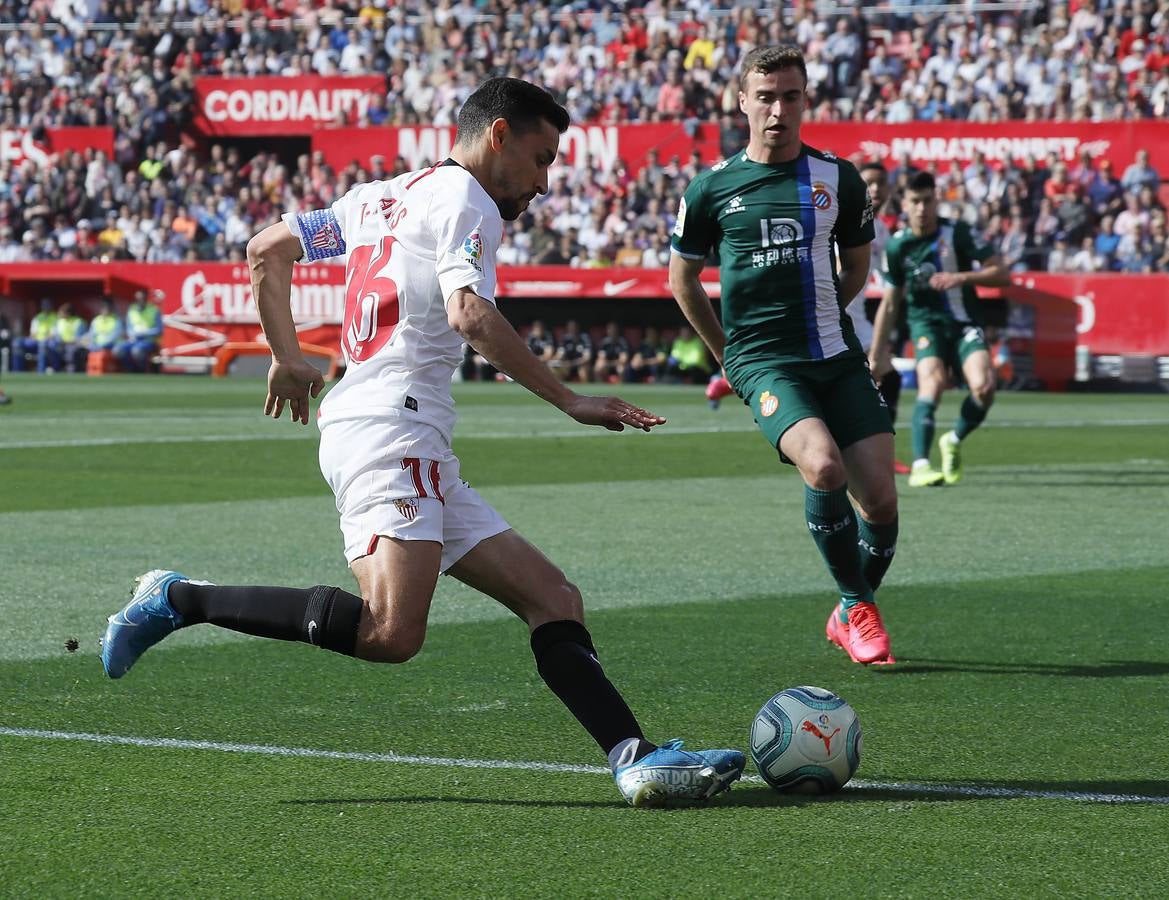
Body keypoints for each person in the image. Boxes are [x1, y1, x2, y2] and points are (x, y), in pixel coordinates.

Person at [99, 77, 744, 808]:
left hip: (403, 431)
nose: (543, 180)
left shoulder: (379, 198)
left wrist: (286, 353)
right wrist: (569, 398)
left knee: (553, 596)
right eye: (539, 158)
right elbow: (470, 315)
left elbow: (265, 249)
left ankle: (634, 757)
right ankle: (180, 598)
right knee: (389, 632)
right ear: (497, 135)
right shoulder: (467, 201)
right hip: (388, 427)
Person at [669, 45, 898, 666]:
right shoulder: (713, 188)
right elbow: (682, 279)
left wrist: (824, 312)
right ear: (742, 102)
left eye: (789, 96)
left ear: (805, 101)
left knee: (880, 500)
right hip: (764, 362)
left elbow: (855, 266)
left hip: (836, 353)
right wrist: (728, 355)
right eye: (765, 97)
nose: (777, 109)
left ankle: (851, 607)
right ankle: (858, 604)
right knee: (824, 467)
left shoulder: (839, 178)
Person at [870, 171, 1010, 489]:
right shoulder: (897, 246)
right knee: (931, 384)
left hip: (964, 325)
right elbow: (890, 304)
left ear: (937, 201)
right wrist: (877, 353)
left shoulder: (957, 233)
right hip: (926, 326)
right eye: (915, 202)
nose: (922, 208)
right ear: (904, 204)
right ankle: (921, 465)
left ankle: (954, 438)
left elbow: (1001, 273)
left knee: (985, 388)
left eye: (928, 201)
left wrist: (961, 278)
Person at [843, 162, 911, 475]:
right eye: (869, 182)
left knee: (888, 378)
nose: (877, 189)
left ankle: (878, 456)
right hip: (838, 317)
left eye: (881, 182)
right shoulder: (840, 217)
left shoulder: (881, 229)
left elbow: (890, 277)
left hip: (857, 318)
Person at [116, 289, 163, 373]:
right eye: (138, 299)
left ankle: (142, 370)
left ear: (145, 298)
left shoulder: (154, 310)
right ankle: (130, 369)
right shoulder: (132, 310)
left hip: (149, 341)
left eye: (142, 298)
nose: (140, 300)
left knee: (137, 351)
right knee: (118, 350)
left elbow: (159, 330)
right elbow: (128, 328)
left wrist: (145, 332)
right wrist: (132, 334)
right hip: (134, 340)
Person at [14, 298, 55, 373]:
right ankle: (17, 371)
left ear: (51, 306)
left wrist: (44, 339)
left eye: (47, 305)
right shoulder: (37, 318)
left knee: (43, 345)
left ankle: (40, 371)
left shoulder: (54, 318)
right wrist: (35, 338)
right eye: (44, 305)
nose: (45, 307)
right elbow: (33, 333)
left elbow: (52, 334)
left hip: (48, 342)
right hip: (36, 341)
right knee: (17, 343)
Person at [48, 303, 88, 373]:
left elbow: (80, 339)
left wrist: (68, 342)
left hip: (74, 344)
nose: (59, 314)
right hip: (61, 344)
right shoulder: (59, 322)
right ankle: (55, 369)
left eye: (62, 312)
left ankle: (71, 371)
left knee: (71, 350)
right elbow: (53, 334)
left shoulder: (79, 322)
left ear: (68, 313)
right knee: (52, 346)